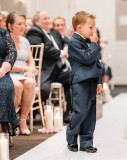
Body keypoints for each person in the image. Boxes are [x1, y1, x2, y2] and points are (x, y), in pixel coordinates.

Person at [26, 11, 72, 123]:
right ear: (37, 21)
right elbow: (44, 50)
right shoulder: (34, 32)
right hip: (45, 72)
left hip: (58, 70)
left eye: (49, 18)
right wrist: (61, 53)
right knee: (44, 89)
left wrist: (66, 47)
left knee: (75, 75)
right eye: (45, 19)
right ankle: (31, 112)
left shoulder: (52, 32)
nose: (48, 21)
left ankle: (69, 112)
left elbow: (65, 40)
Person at [66, 11, 102, 153]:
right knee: (80, 112)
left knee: (90, 114)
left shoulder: (89, 42)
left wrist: (99, 81)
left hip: (92, 81)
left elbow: (96, 63)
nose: (93, 30)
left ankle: (86, 142)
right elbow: (87, 58)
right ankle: (71, 138)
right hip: (80, 82)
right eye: (91, 27)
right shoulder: (74, 42)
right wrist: (94, 44)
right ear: (79, 27)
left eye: (94, 27)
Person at [7, 11, 37, 135]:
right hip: (8, 73)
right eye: (19, 24)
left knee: (30, 83)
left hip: (23, 74)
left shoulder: (25, 41)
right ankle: (10, 120)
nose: (22, 27)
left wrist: (31, 69)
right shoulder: (4, 41)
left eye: (24, 24)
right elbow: (6, 64)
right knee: (17, 86)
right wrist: (25, 69)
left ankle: (22, 119)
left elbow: (30, 60)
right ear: (10, 26)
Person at [0, 8, 18, 136]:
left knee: (6, 87)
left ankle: (4, 123)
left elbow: (12, 52)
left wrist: (3, 69)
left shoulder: (3, 32)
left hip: (2, 69)